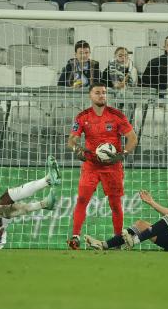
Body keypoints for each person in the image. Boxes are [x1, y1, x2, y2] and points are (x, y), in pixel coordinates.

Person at [67, 82, 138, 249]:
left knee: (115, 204)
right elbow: (71, 140)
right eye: (97, 93)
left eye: (104, 92)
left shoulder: (117, 116)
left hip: (112, 167)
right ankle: (75, 237)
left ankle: (117, 241)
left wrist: (122, 155)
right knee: (82, 199)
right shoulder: (83, 116)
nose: (102, 95)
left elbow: (133, 138)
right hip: (91, 165)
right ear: (90, 96)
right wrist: (78, 150)